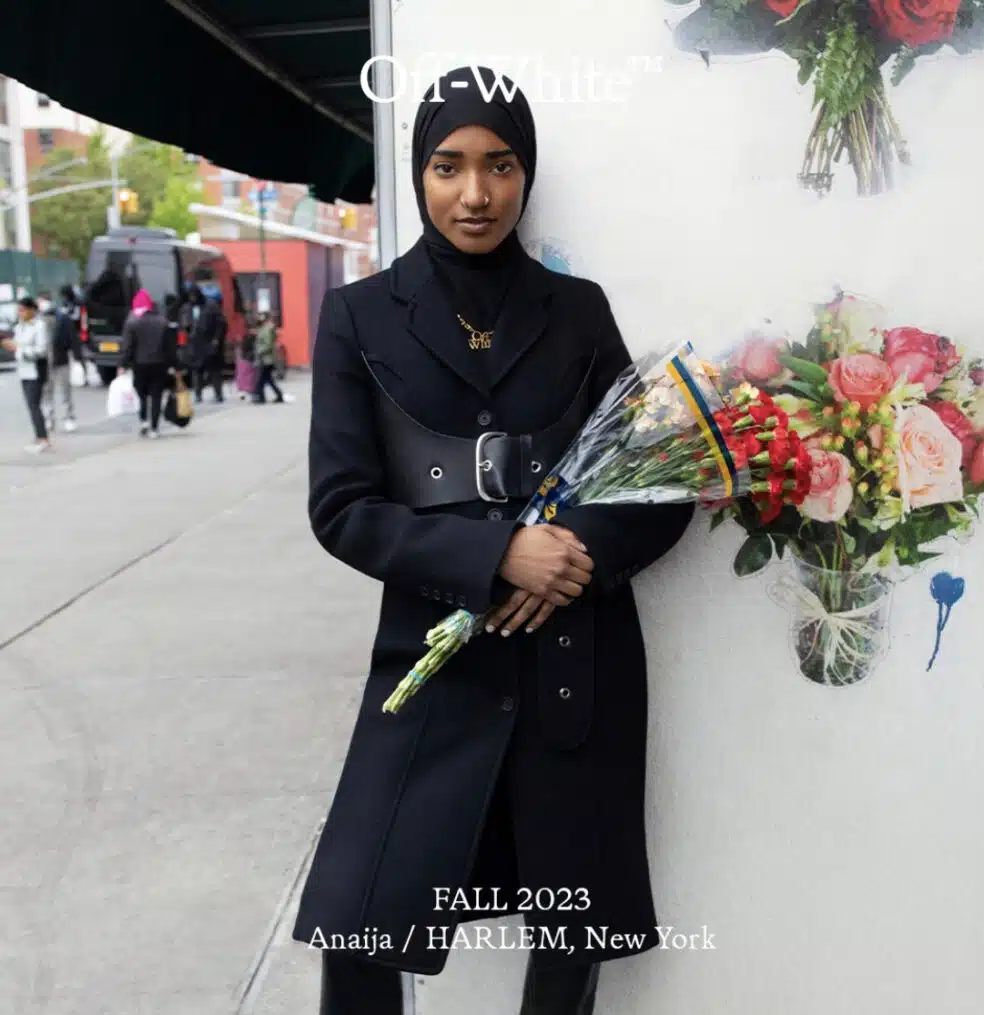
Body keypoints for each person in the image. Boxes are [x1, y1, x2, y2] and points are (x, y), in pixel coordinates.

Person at [293, 67, 695, 1014]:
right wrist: (494, 557)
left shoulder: (579, 308)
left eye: (500, 166)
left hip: (574, 662)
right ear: (421, 173)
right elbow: (341, 505)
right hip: (433, 664)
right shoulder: (358, 315)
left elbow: (659, 477)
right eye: (449, 166)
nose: (476, 193)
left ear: (526, 173)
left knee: (568, 933)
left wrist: (568, 556)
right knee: (362, 921)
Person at [118, 288, 177, 438]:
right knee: (156, 395)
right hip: (159, 363)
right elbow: (169, 347)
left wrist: (123, 365)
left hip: (140, 364)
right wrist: (174, 365)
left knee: (141, 394)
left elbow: (128, 347)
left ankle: (143, 420)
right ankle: (154, 428)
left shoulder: (132, 323)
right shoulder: (162, 322)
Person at [2, 296, 52, 453]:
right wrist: (10, 345)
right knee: (30, 406)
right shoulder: (19, 327)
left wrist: (20, 350)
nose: (20, 313)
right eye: (19, 310)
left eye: (22, 310)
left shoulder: (39, 326)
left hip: (35, 370)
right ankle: (38, 436)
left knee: (34, 405)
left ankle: (43, 438)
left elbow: (41, 350)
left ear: (31, 310)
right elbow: (18, 344)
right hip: (23, 371)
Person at [40, 292, 81, 432]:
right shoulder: (38, 319)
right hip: (44, 362)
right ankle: (48, 418)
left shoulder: (62, 318)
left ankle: (68, 417)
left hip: (61, 359)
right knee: (46, 392)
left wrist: (77, 356)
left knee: (65, 391)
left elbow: (72, 337)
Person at [190, 289, 227, 403]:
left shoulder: (211, 306)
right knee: (198, 371)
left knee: (215, 370)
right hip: (197, 344)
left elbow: (222, 324)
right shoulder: (190, 307)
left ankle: (218, 394)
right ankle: (198, 394)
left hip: (210, 343)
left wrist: (216, 339)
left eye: (194, 296)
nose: (192, 299)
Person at [252, 313, 285, 404]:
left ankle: (260, 397)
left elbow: (268, 344)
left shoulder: (268, 329)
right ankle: (278, 395)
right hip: (264, 358)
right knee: (268, 379)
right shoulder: (263, 328)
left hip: (267, 359)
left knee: (261, 380)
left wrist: (259, 351)